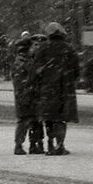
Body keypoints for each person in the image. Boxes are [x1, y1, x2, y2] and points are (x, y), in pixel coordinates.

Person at [32, 22, 79, 156]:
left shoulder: (43, 49)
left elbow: (36, 69)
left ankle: (50, 143)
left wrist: (37, 83)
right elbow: (76, 69)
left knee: (49, 117)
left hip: (47, 88)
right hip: (65, 88)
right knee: (61, 118)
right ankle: (60, 144)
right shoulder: (68, 49)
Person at [10, 33, 44, 155]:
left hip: (29, 94)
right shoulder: (22, 62)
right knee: (25, 121)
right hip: (26, 95)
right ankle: (20, 145)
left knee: (34, 120)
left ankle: (34, 144)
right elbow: (23, 80)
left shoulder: (25, 60)